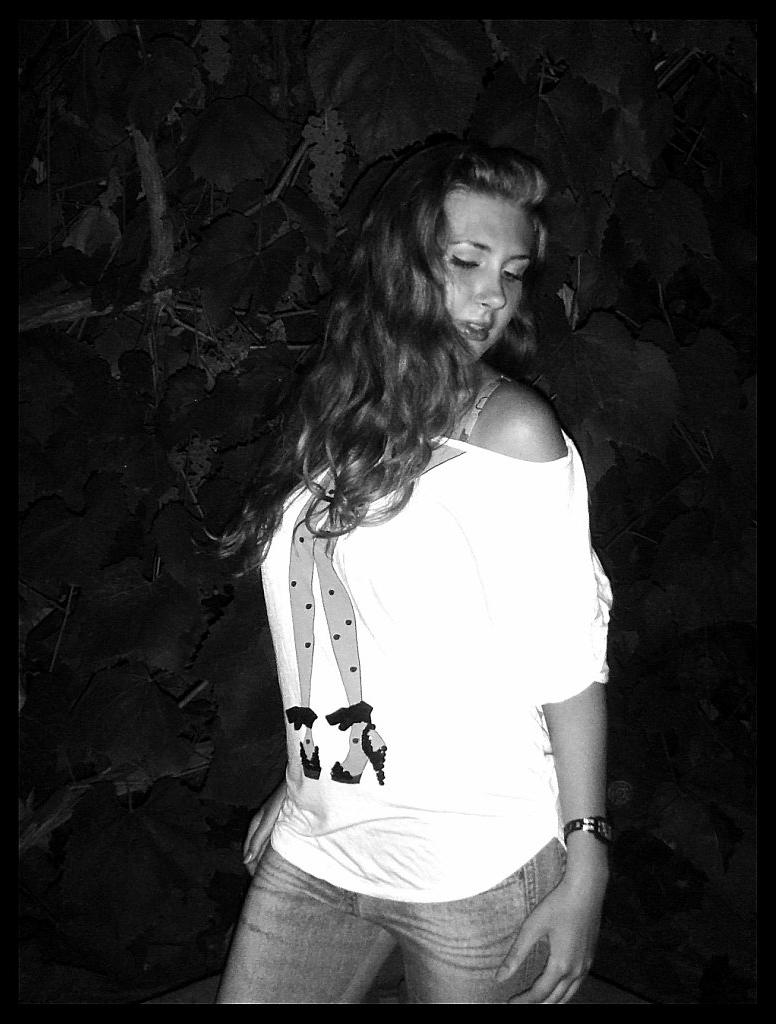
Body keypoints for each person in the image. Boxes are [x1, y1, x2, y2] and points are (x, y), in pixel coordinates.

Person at [214, 140, 613, 1004]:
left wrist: (586, 859)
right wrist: (308, 778)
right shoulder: (331, 418)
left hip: (475, 865)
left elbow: (567, 666)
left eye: (512, 272)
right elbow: (332, 623)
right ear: (397, 263)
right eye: (466, 262)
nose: (493, 295)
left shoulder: (511, 434)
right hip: (321, 845)